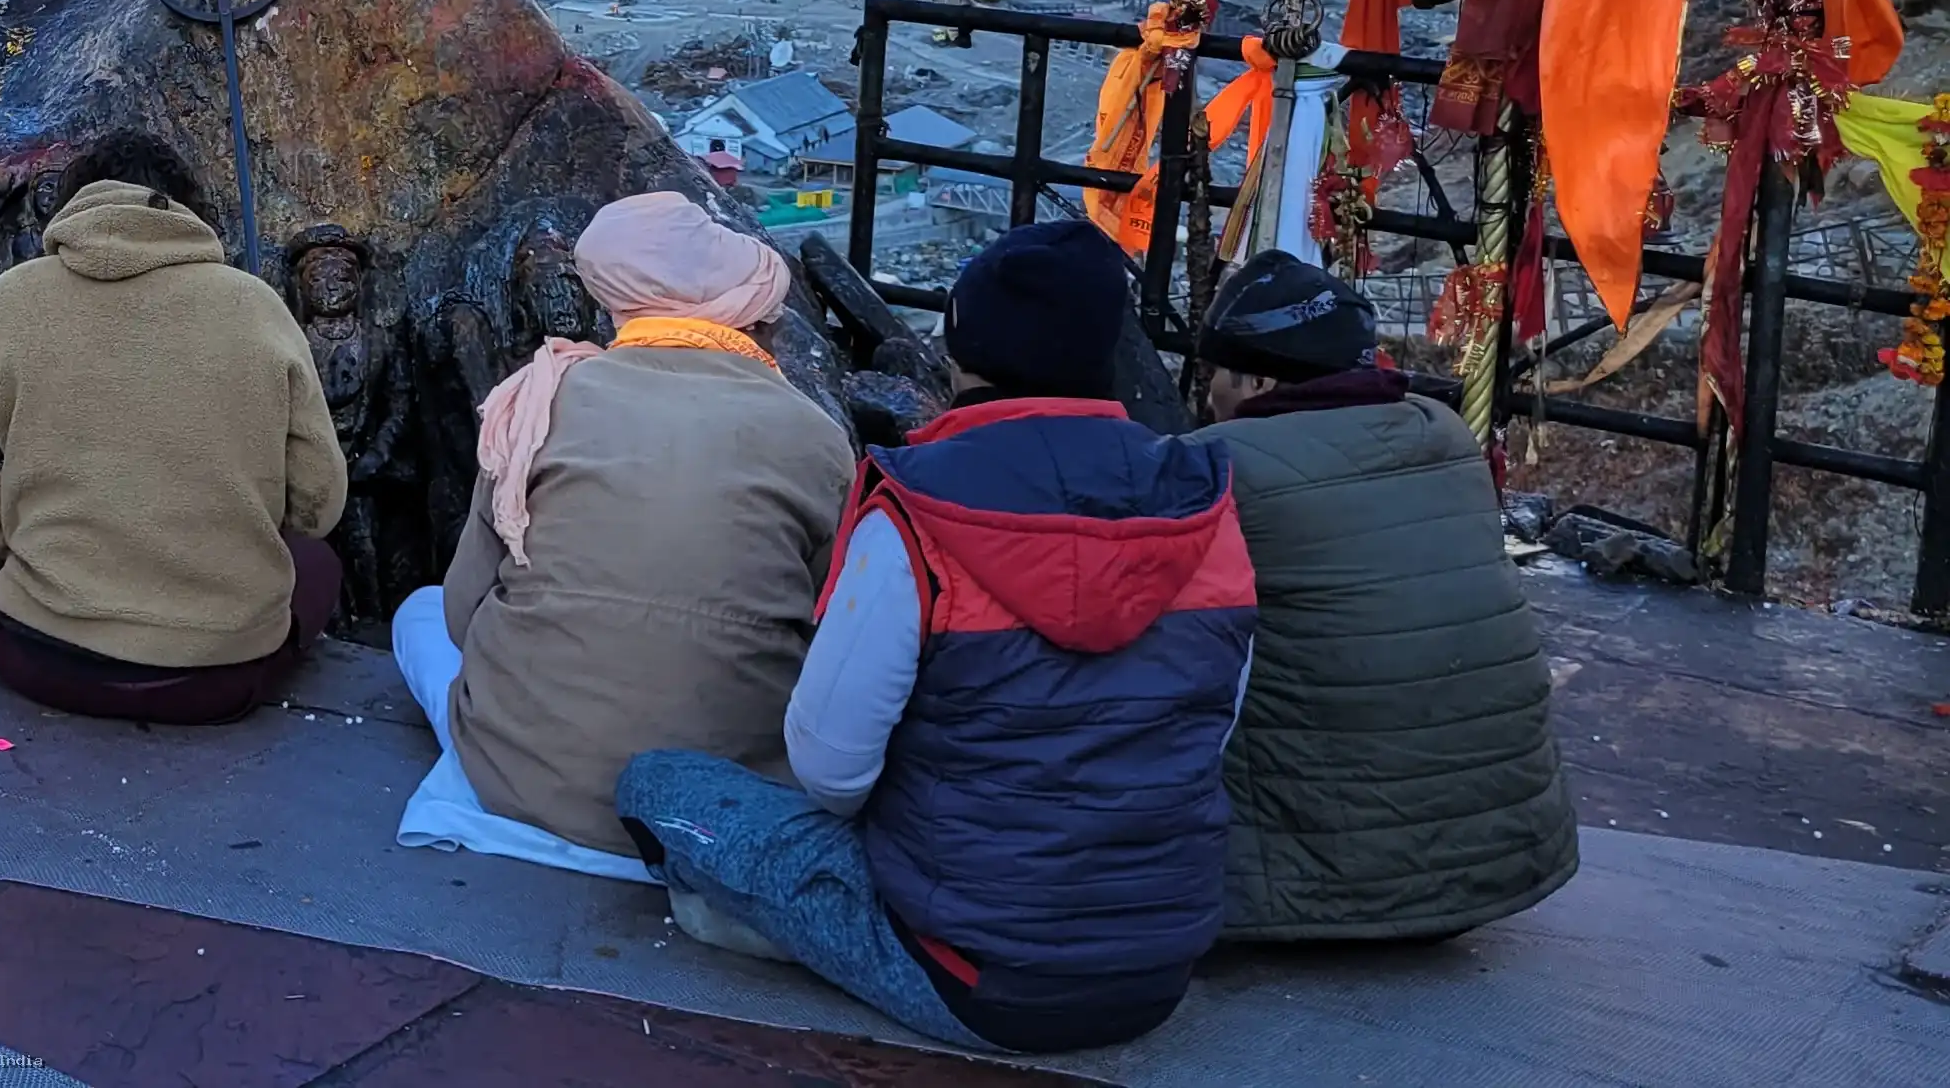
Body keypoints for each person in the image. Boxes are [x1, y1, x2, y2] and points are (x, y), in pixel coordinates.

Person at [616, 219, 1256, 1055]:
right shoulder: (1204, 505)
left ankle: (803, 933)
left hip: (972, 977)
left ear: (959, 351)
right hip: (1157, 970)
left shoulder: (920, 508)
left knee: (657, 785)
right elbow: (1212, 724)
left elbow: (827, 767)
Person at [391, 192, 856, 880]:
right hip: (718, 802)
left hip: (527, 785)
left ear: (610, 303)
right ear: (750, 311)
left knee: (420, 611)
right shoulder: (816, 436)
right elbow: (826, 636)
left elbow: (463, 616)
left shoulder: (540, 399)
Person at [0, 131, 345, 722]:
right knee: (318, 565)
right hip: (212, 684)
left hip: (42, 661)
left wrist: (16, 531)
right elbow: (319, 503)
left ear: (76, 204)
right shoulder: (255, 306)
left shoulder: (13, 298)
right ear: (187, 210)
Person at [1187, 253, 1578, 941]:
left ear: (1256, 379)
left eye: (1212, 375)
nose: (1205, 395)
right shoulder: (1445, 434)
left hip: (1320, 892)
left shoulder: (1225, 464)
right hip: (1499, 862)